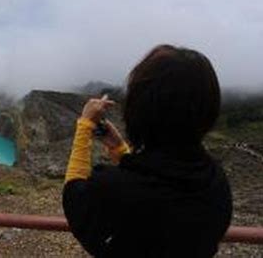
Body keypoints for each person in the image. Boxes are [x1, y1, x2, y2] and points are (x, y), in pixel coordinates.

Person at [63, 45, 232, 258]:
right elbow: (156, 178)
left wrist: (85, 125)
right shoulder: (216, 182)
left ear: (139, 108)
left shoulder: (109, 189)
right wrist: (120, 150)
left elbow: (74, 195)